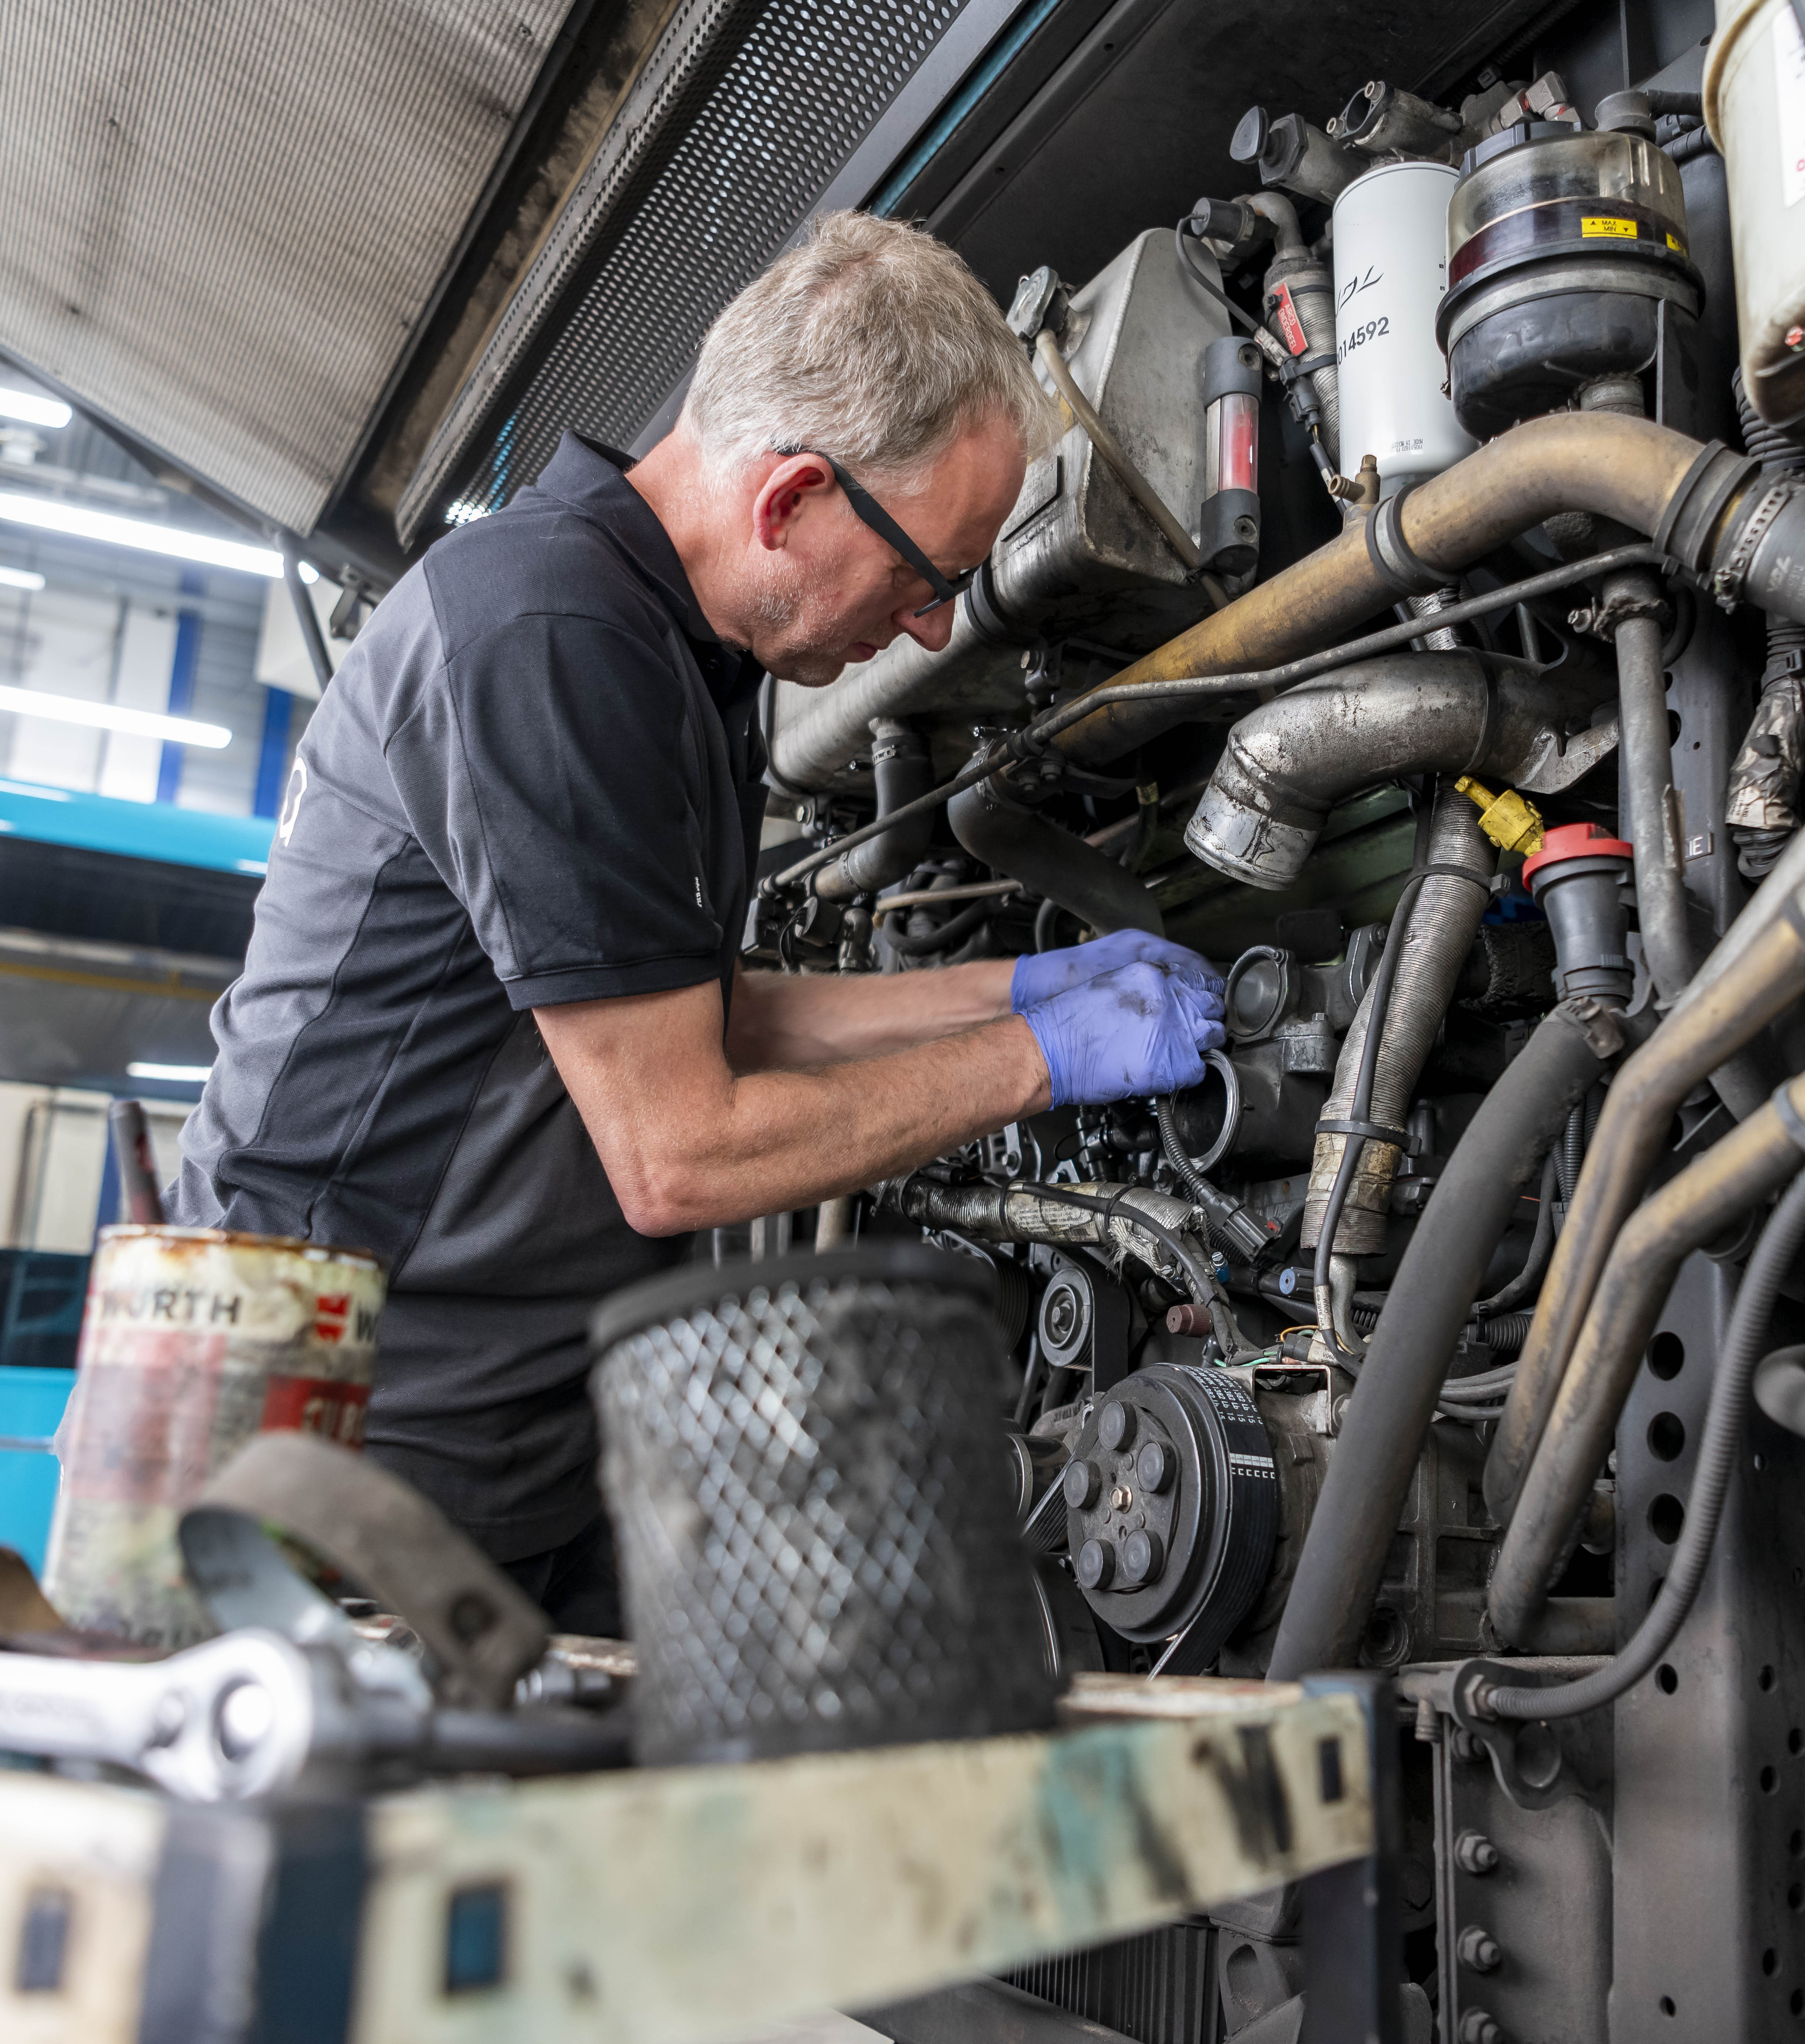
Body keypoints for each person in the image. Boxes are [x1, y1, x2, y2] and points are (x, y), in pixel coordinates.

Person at [167, 213, 1222, 1630]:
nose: (926, 633)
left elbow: (702, 1015)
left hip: (508, 1420)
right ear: (788, 498)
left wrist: (1026, 986)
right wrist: (1040, 1063)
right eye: (925, 577)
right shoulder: (547, 640)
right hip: (344, 1441)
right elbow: (678, 1147)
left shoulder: (666, 643)